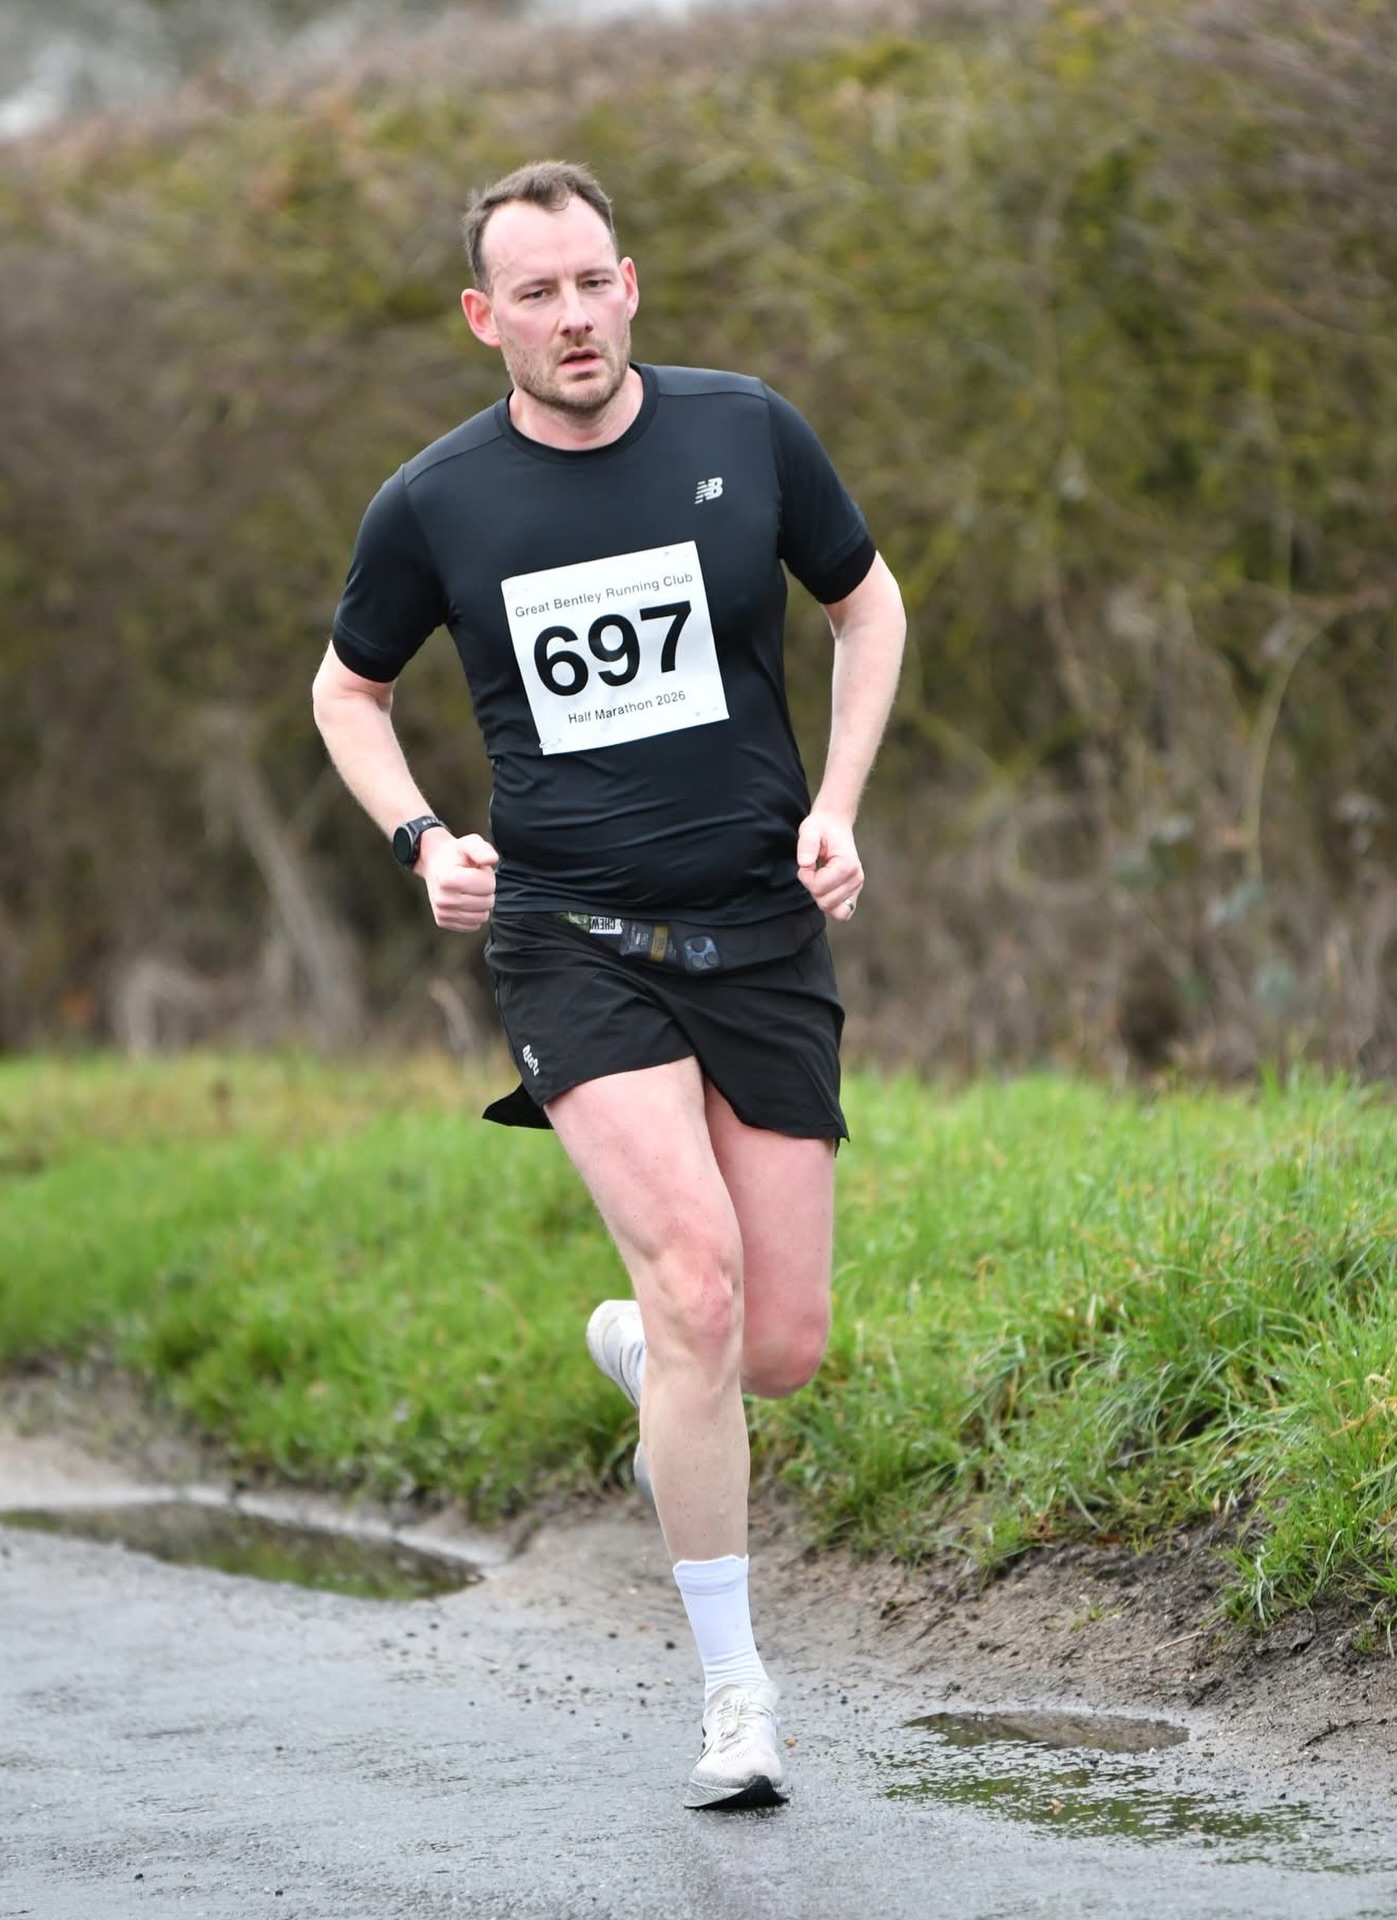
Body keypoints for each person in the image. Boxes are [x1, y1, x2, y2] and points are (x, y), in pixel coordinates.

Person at [312, 159, 906, 1810]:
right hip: (572, 937)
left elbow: (869, 609)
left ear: (629, 284)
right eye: (536, 294)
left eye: (594, 284)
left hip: (759, 926)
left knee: (772, 1345)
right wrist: (425, 834)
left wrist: (839, 804)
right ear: (481, 316)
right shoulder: (436, 501)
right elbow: (345, 692)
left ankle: (659, 1368)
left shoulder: (747, 431)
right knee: (699, 1281)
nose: (572, 319)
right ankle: (736, 1697)